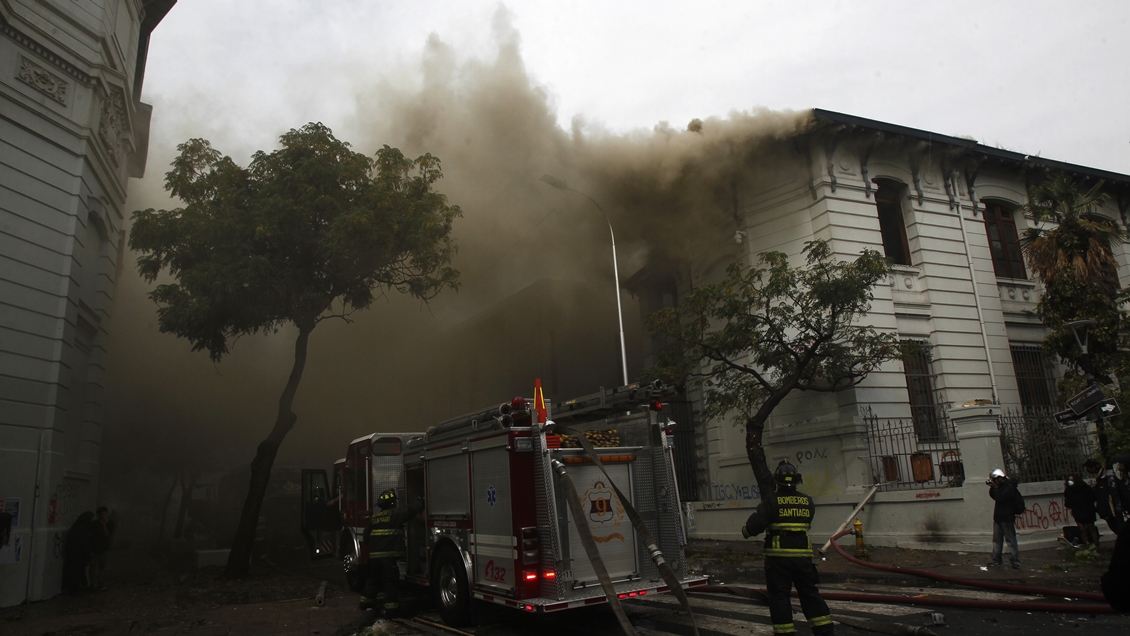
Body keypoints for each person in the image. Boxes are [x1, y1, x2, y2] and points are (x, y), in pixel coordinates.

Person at [742, 461, 834, 636]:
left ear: (777, 482)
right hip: (803, 559)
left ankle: (785, 633)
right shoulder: (807, 501)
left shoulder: (772, 501)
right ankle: (825, 630)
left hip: (778, 561)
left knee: (779, 597)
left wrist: (745, 531)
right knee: (810, 594)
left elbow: (757, 524)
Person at [360, 489, 424, 617]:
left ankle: (365, 603)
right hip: (388, 557)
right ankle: (391, 609)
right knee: (390, 581)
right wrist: (421, 500)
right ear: (392, 503)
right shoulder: (396, 514)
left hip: (375, 557)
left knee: (374, 579)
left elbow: (366, 537)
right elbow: (411, 509)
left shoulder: (375, 518)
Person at [988, 468, 1023, 569]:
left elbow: (1000, 497)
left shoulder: (1009, 487)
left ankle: (1015, 560)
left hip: (1007, 517)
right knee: (997, 540)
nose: (994, 482)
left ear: (1000, 478)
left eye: (995, 480)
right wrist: (993, 488)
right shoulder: (1001, 487)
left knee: (1010, 539)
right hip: (999, 516)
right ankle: (996, 559)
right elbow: (994, 497)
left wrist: (995, 488)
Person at [1063, 474, 1100, 547]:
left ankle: (1096, 546)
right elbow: (1067, 502)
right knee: (1082, 529)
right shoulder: (1069, 491)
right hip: (1077, 511)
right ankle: (1087, 546)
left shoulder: (1085, 488)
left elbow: (1093, 497)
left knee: (1091, 528)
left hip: (1088, 510)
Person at [62, 511, 94, 593]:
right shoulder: (83, 528)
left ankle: (75, 587)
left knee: (74, 571)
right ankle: (76, 587)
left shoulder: (76, 526)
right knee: (77, 571)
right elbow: (84, 542)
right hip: (79, 554)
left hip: (74, 553)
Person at [89, 507, 114, 590]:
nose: (104, 515)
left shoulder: (110, 523)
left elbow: (107, 534)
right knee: (93, 566)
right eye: (102, 514)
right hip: (94, 547)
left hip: (104, 547)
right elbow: (91, 535)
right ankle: (91, 584)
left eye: (105, 513)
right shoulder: (94, 524)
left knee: (102, 566)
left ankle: (101, 583)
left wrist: (104, 524)